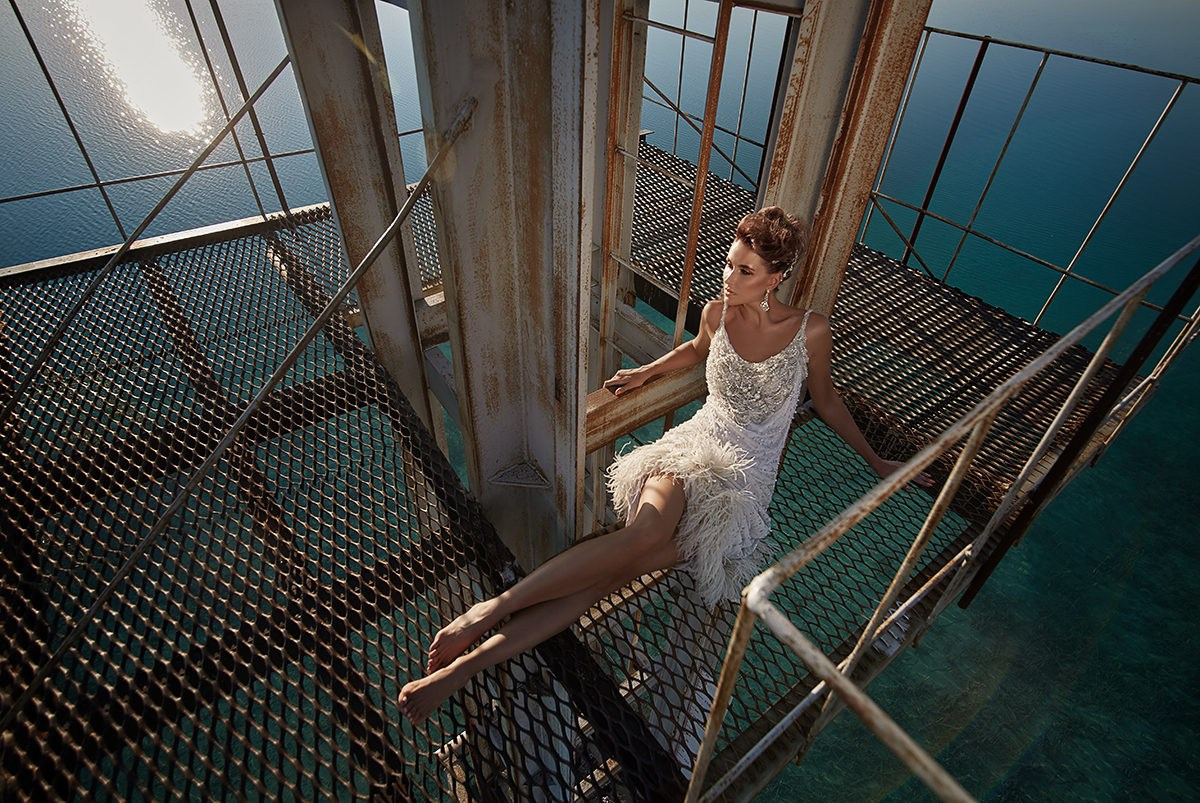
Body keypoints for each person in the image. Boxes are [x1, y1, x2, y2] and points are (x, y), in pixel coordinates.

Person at [398, 206, 922, 723]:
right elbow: (696, 350)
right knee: (643, 534)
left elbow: (826, 401)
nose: (728, 277)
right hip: (696, 446)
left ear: (774, 278)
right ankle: (486, 613)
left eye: (745, 271)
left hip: (743, 485)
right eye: (729, 263)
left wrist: (877, 461)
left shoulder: (810, 331)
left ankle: (463, 668)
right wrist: (645, 371)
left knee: (602, 581)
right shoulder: (716, 313)